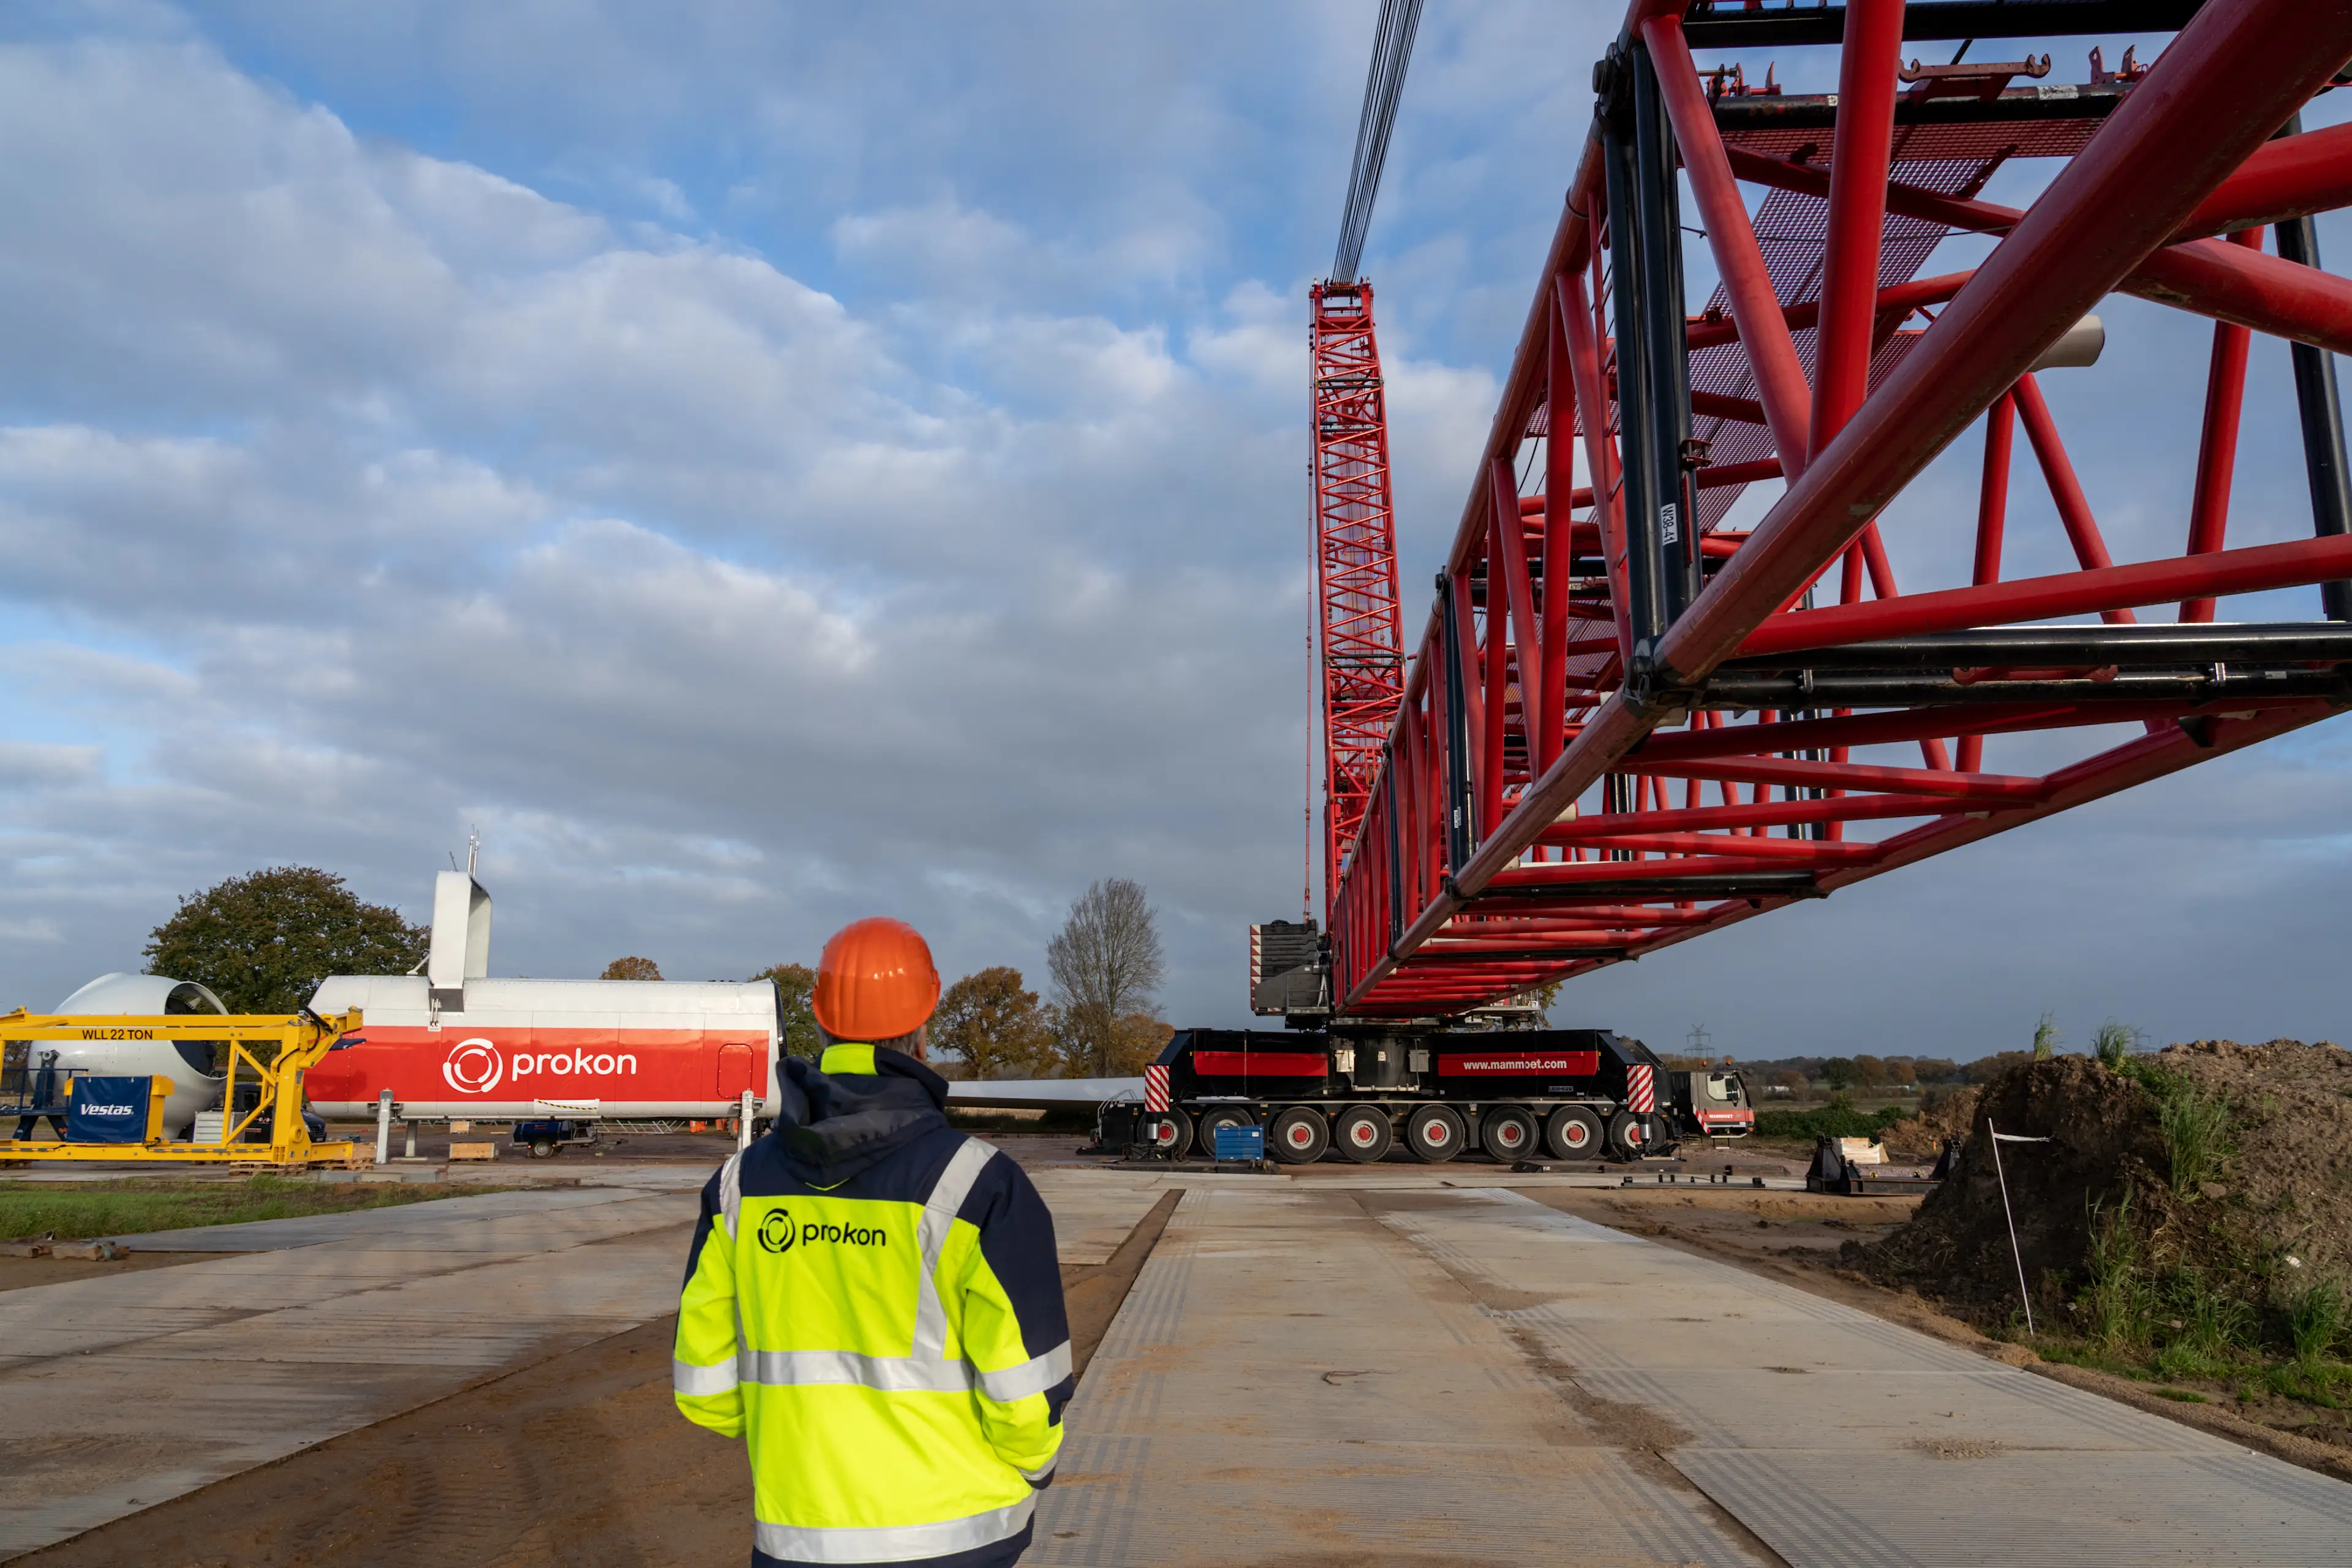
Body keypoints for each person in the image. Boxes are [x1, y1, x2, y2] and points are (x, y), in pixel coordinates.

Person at [676, 917, 1071, 1568]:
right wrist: (1033, 1468)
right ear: (924, 1025)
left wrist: (803, 1440)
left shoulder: (739, 1187)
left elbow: (705, 1389)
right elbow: (1026, 1396)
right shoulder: (977, 1184)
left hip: (799, 1535)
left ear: (822, 1021)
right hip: (959, 1537)